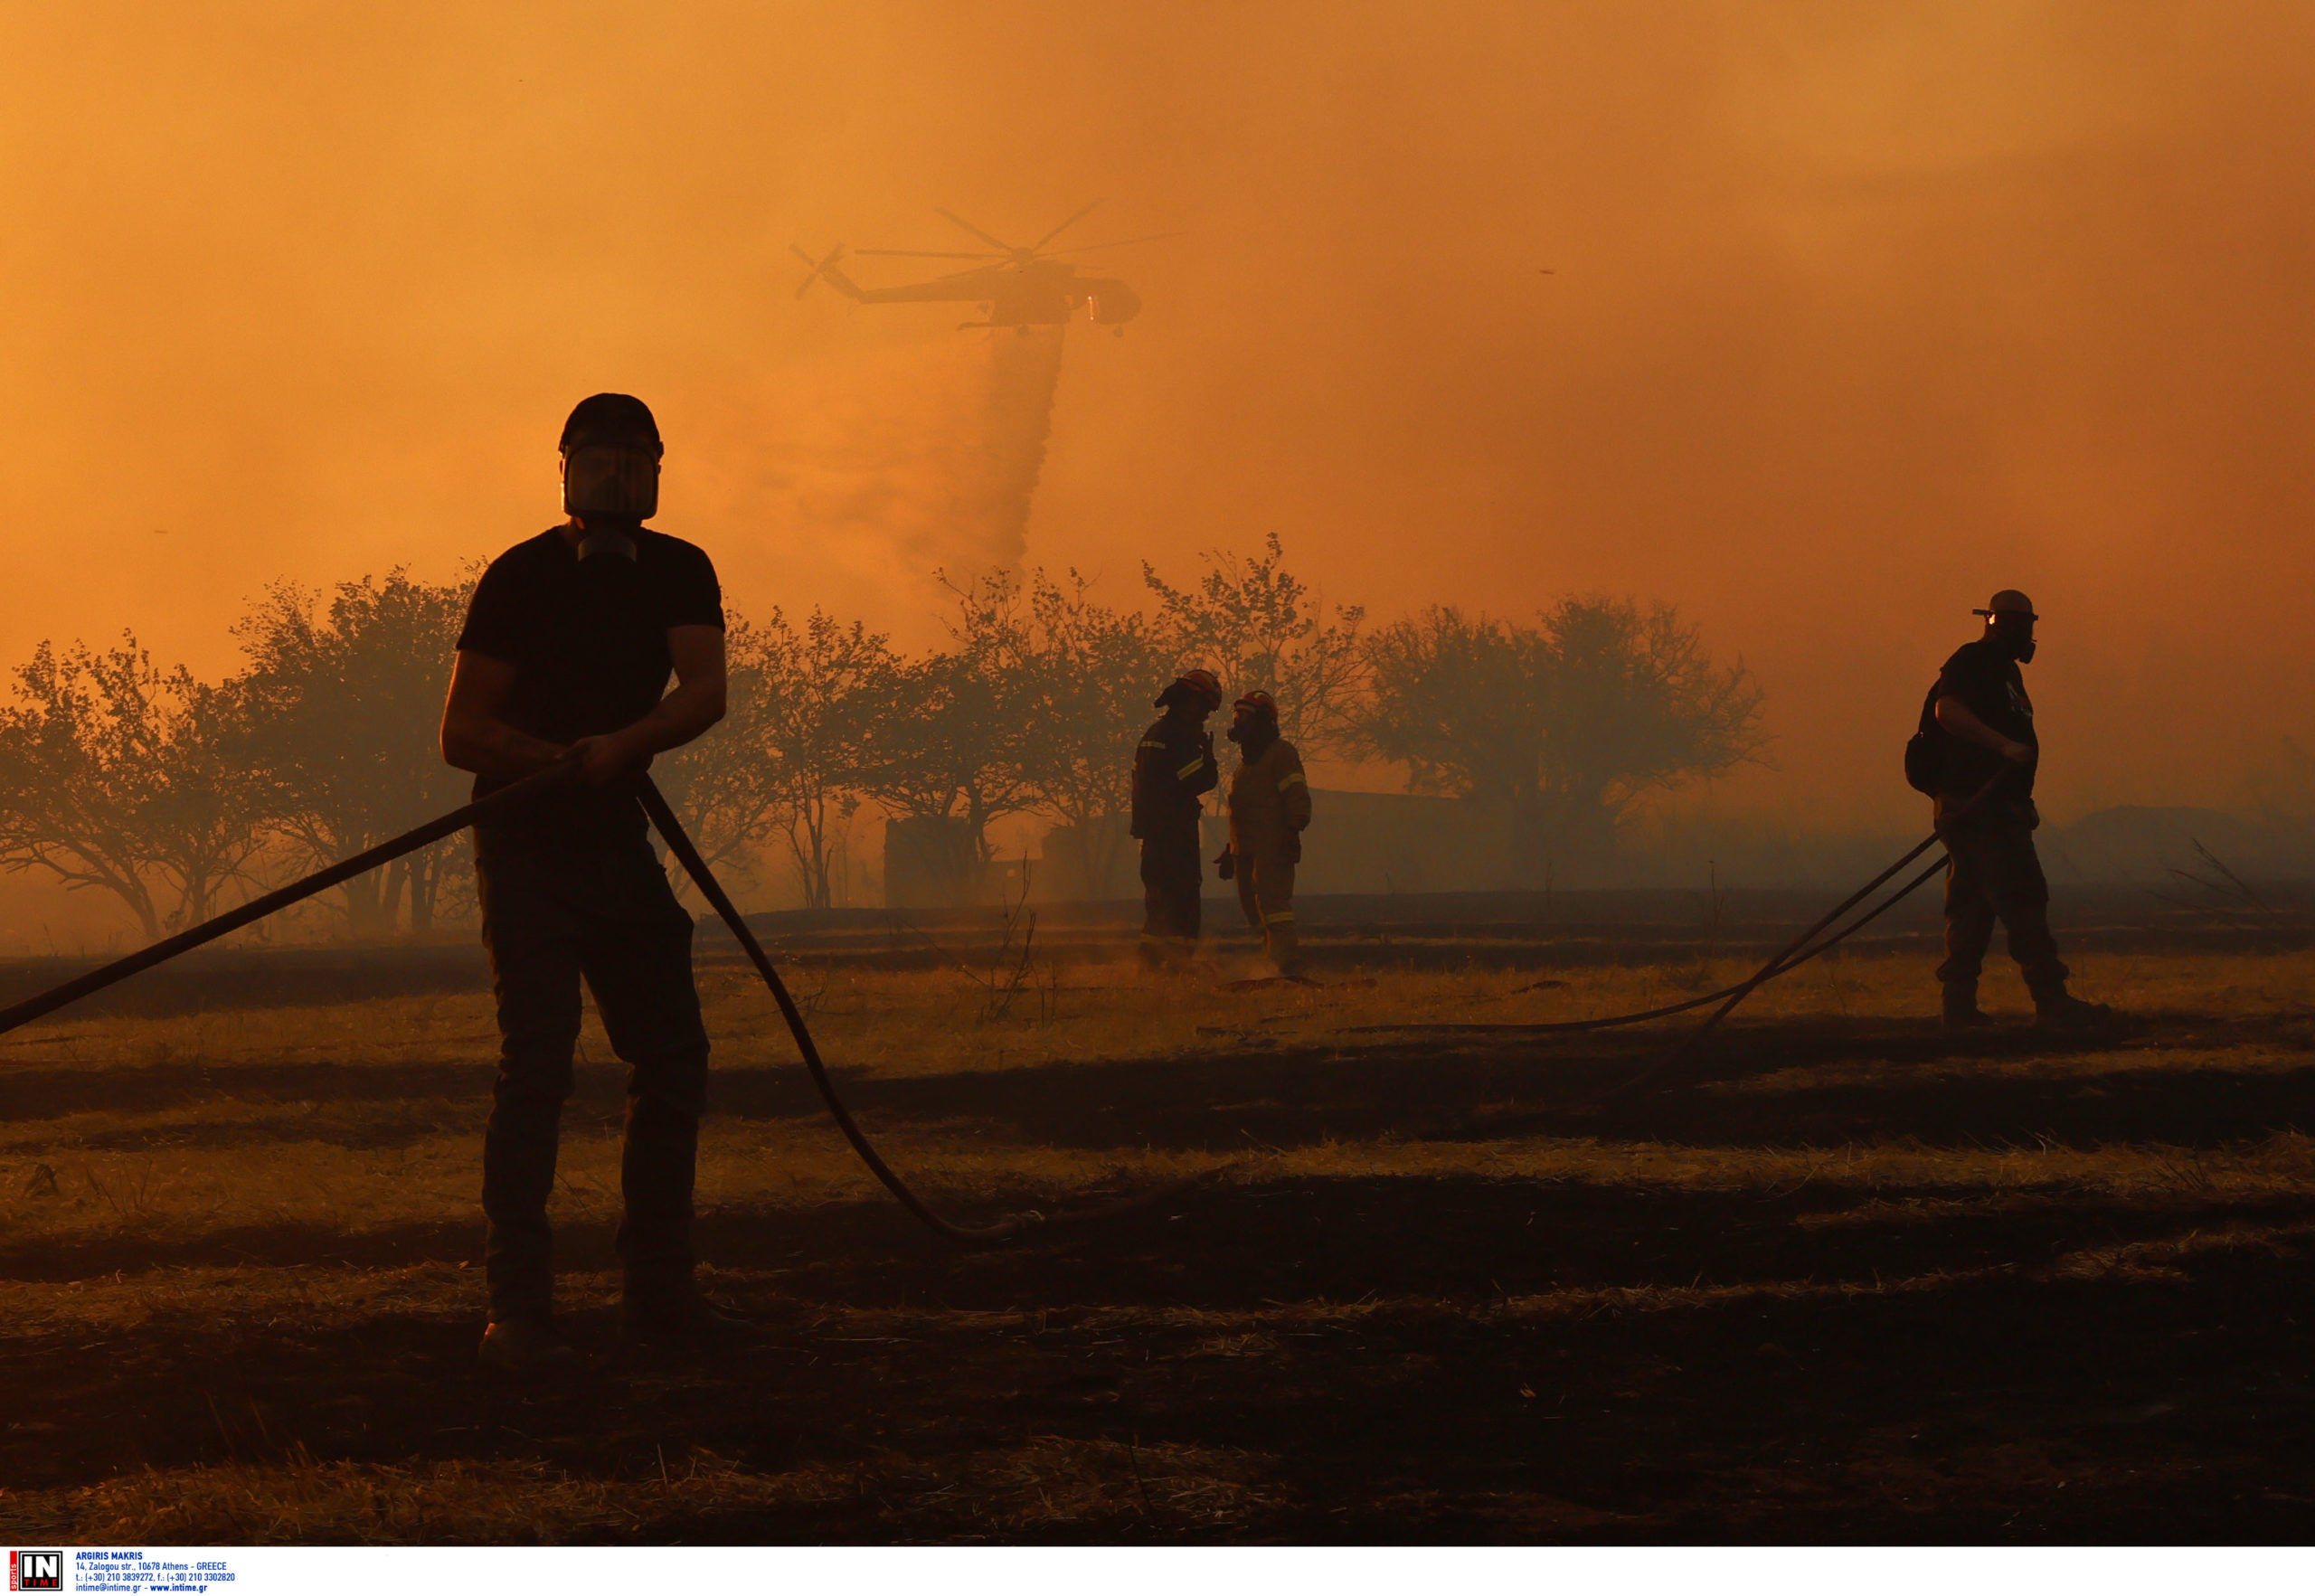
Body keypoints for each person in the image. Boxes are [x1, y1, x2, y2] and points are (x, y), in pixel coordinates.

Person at [439, 392, 740, 1374]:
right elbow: (462, 732)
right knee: (539, 1065)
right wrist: (552, 757)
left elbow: (703, 690)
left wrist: (625, 745)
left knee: (672, 1056)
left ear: (657, 470)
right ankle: (516, 1310)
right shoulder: (520, 576)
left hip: (614, 839)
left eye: (633, 459)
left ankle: (660, 1292)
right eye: (598, 458)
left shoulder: (680, 570)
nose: (616, 475)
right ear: (565, 468)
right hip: (524, 841)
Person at [1927, 590, 2110, 1031]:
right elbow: (1945, 710)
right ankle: (2052, 1000)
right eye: (2016, 625)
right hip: (1979, 806)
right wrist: (2004, 746)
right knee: (2024, 895)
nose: (2021, 635)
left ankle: (1959, 1007)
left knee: (1971, 904)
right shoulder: (1972, 662)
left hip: (1989, 804)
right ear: (1999, 625)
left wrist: (2020, 799)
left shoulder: (2004, 673)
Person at [1130, 670, 1224, 968]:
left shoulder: (1154, 734)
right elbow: (1196, 779)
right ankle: (1178, 964)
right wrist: (1207, 759)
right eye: (1206, 708)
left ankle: (1151, 963)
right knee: (1183, 899)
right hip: (1175, 833)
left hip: (1154, 833)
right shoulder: (1179, 737)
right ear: (1190, 702)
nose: (1206, 716)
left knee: (1159, 900)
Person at [1220, 690, 1312, 975]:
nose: (1239, 722)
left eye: (1245, 717)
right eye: (1237, 716)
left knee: (1274, 905)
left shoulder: (1281, 754)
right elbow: (1245, 808)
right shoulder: (1245, 765)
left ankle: (1288, 964)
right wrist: (1230, 847)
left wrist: (1293, 830)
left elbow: (1297, 794)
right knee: (1253, 908)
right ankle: (1273, 960)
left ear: (1263, 721)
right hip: (1245, 848)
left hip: (1273, 845)